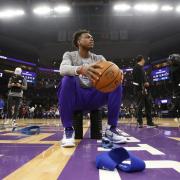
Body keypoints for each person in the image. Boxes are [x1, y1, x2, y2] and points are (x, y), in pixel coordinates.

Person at [57, 29, 126, 147]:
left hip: (95, 97)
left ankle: (111, 129)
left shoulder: (99, 58)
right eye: (88, 37)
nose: (91, 39)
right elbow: (62, 69)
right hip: (77, 98)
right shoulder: (69, 55)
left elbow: (111, 74)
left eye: (92, 37)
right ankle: (68, 130)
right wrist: (80, 69)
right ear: (78, 41)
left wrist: (118, 74)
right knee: (67, 79)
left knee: (116, 81)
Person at [132, 55, 157, 128]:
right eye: (144, 59)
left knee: (147, 105)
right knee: (141, 106)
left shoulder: (138, 68)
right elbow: (139, 80)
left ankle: (148, 123)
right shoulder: (137, 68)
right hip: (141, 90)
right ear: (142, 60)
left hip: (142, 89)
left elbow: (138, 80)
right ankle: (141, 122)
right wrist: (144, 83)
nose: (144, 61)